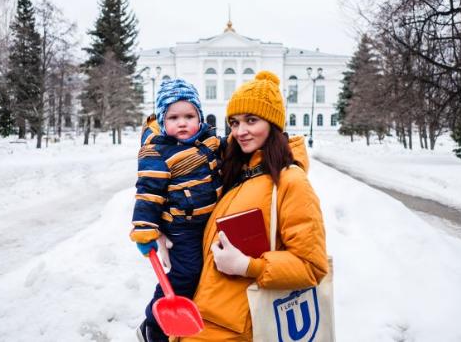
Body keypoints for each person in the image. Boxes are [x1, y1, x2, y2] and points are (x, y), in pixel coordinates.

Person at [179, 70, 329, 341]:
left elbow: (312, 266)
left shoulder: (290, 181)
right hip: (202, 318)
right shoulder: (236, 172)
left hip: (241, 327)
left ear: (273, 124)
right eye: (234, 123)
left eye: (251, 120)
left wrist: (249, 266)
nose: (240, 131)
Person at [130, 79, 223, 342]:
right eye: (173, 117)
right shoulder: (158, 151)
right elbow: (148, 192)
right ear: (162, 119)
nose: (182, 123)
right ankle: (153, 325)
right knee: (186, 274)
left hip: (208, 221)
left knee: (206, 274)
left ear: (200, 117)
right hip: (182, 227)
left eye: (189, 116)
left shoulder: (210, 141)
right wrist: (144, 230)